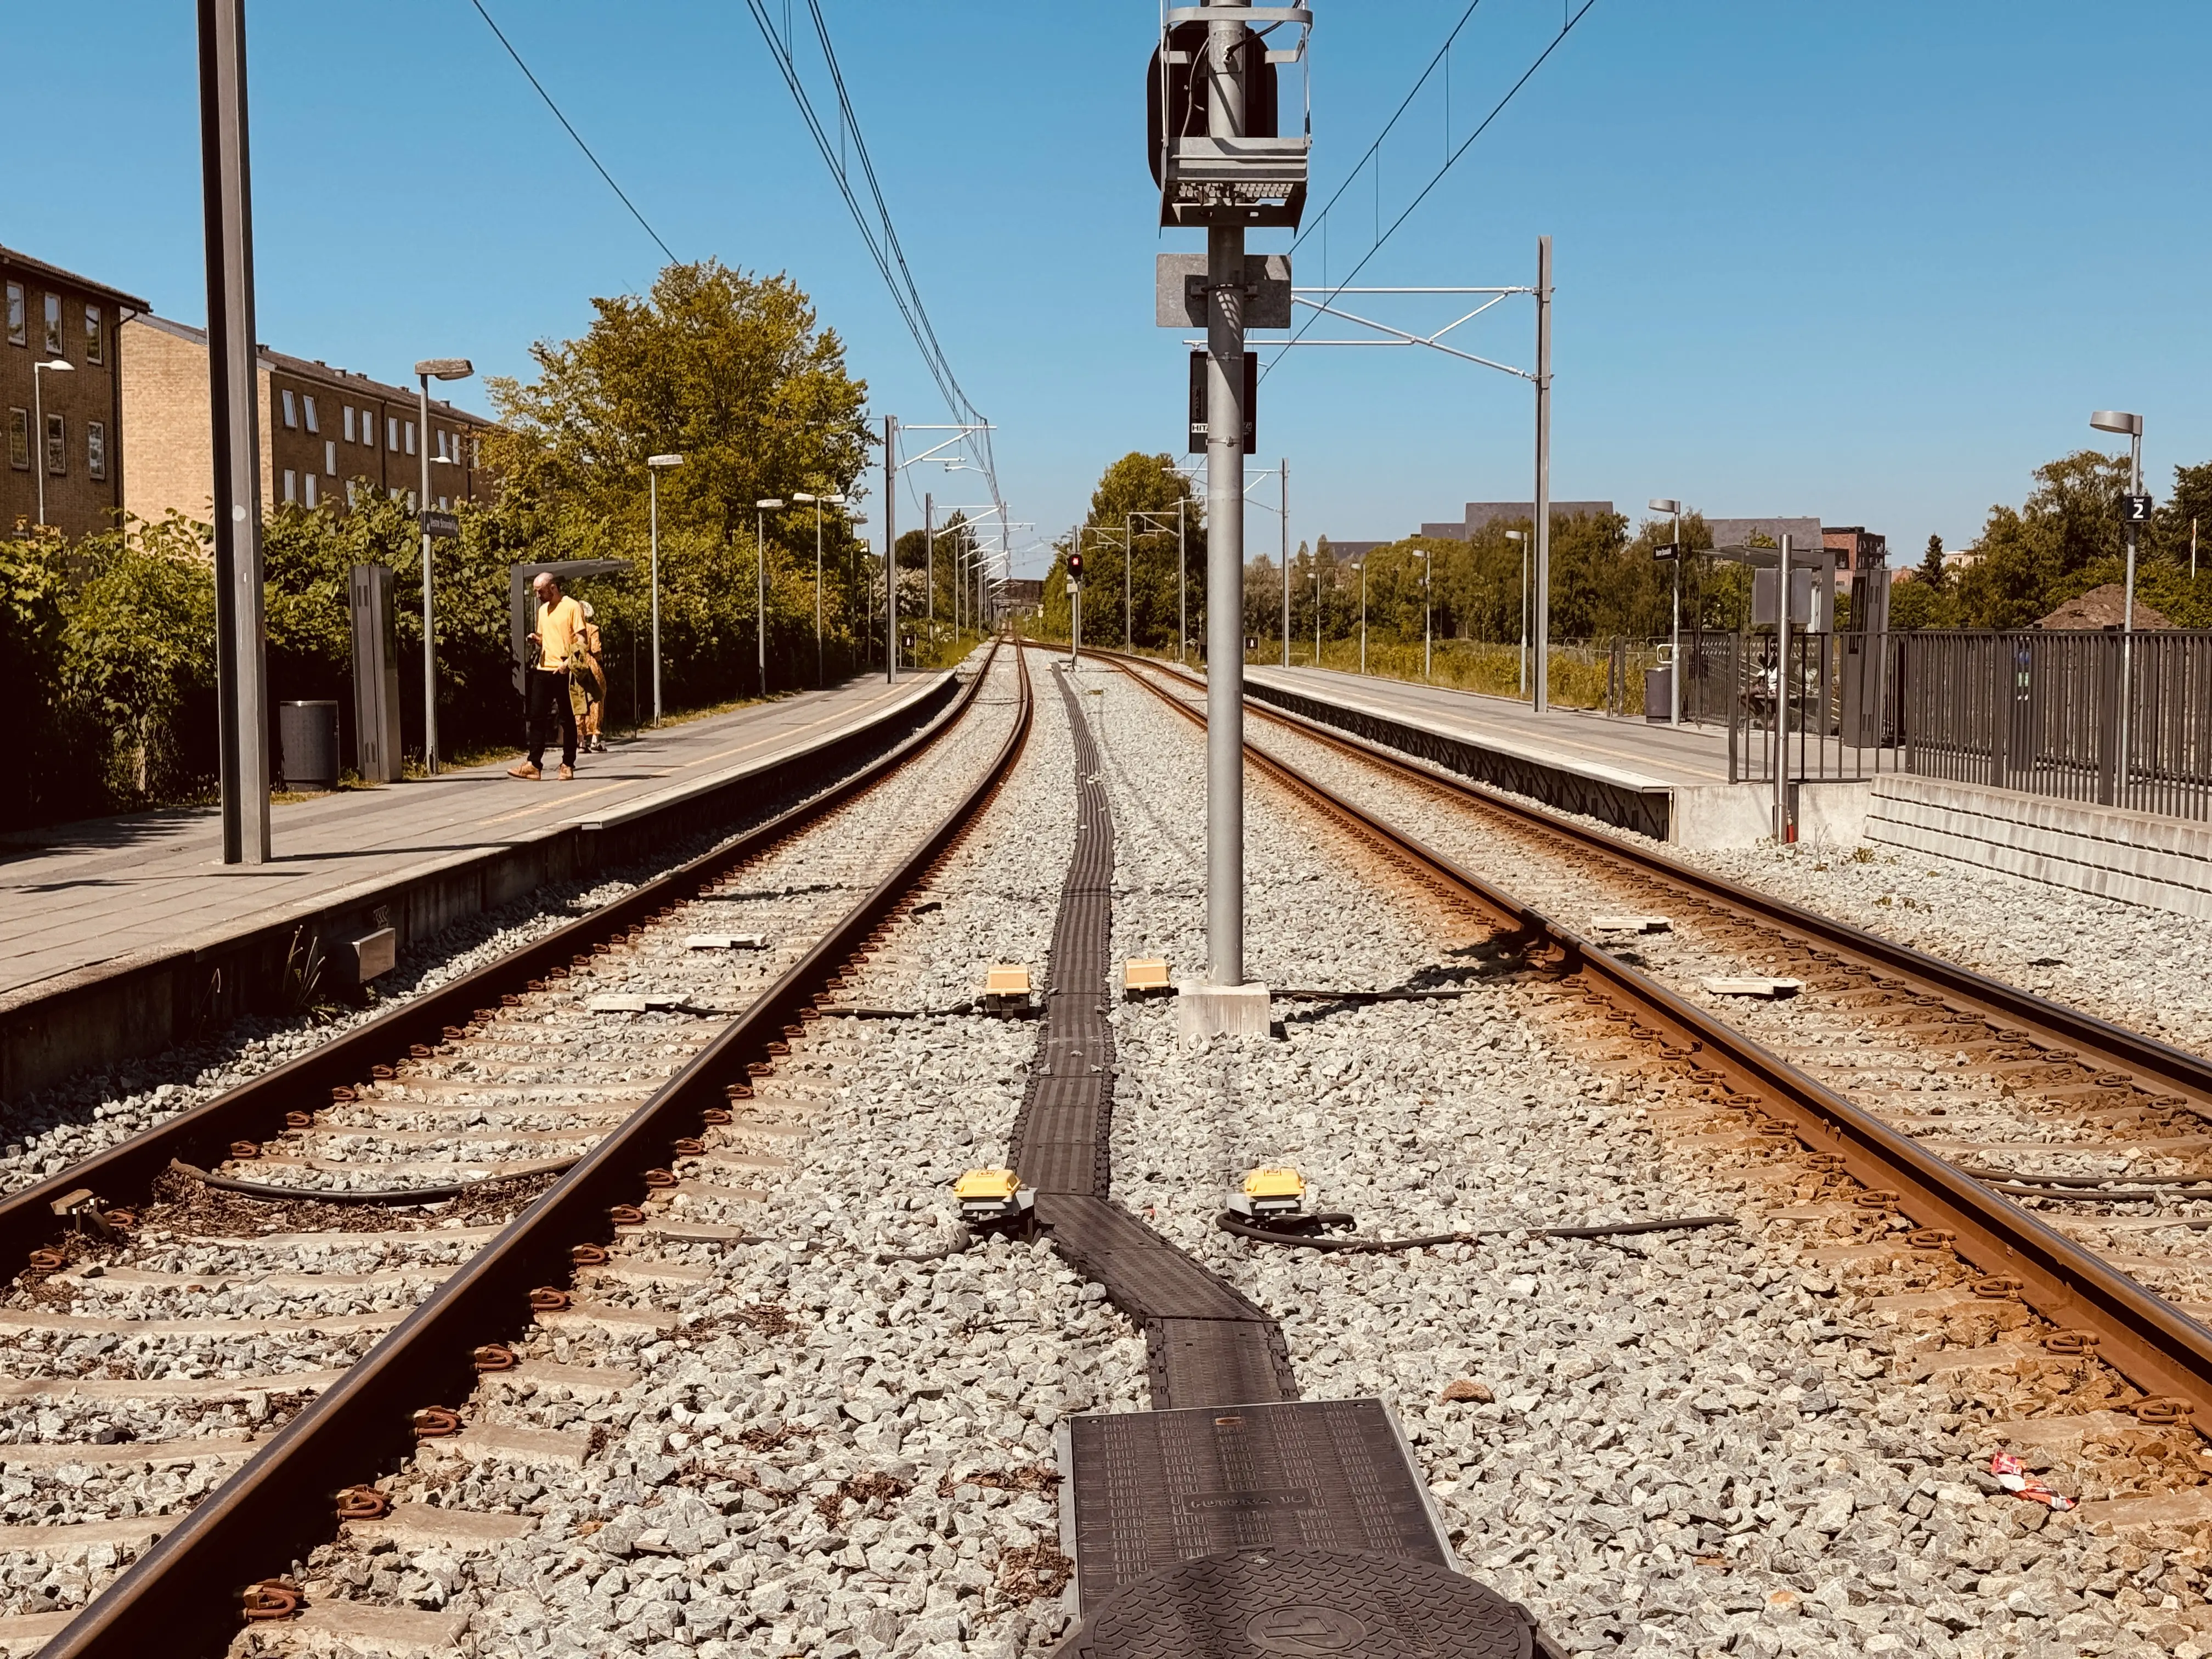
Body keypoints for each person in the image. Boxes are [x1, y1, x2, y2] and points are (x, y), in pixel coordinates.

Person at [511, 571, 582, 780]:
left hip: (563, 668)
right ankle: (534, 764)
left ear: (553, 588)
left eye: (540, 591)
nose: (538, 596)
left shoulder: (571, 607)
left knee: (567, 718)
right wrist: (537, 639)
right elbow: (548, 638)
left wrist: (568, 664)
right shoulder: (543, 611)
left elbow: (581, 640)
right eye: (536, 592)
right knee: (537, 716)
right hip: (543, 669)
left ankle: (568, 764)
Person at [572, 600, 608, 753]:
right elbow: (596, 649)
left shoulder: (571, 630)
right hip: (591, 666)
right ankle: (595, 738)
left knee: (579, 700)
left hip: (576, 664)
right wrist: (599, 661)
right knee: (597, 698)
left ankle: (581, 741)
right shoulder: (592, 629)